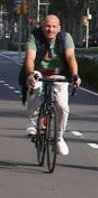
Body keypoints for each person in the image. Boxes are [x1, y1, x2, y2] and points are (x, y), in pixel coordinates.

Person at [23, 14, 82, 156]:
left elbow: (70, 57)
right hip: (39, 71)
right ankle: (33, 122)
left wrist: (75, 75)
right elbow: (30, 57)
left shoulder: (65, 38)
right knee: (34, 83)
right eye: (47, 26)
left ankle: (58, 138)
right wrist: (30, 73)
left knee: (62, 106)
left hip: (59, 74)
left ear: (59, 28)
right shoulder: (34, 36)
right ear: (42, 26)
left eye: (54, 26)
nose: (50, 29)